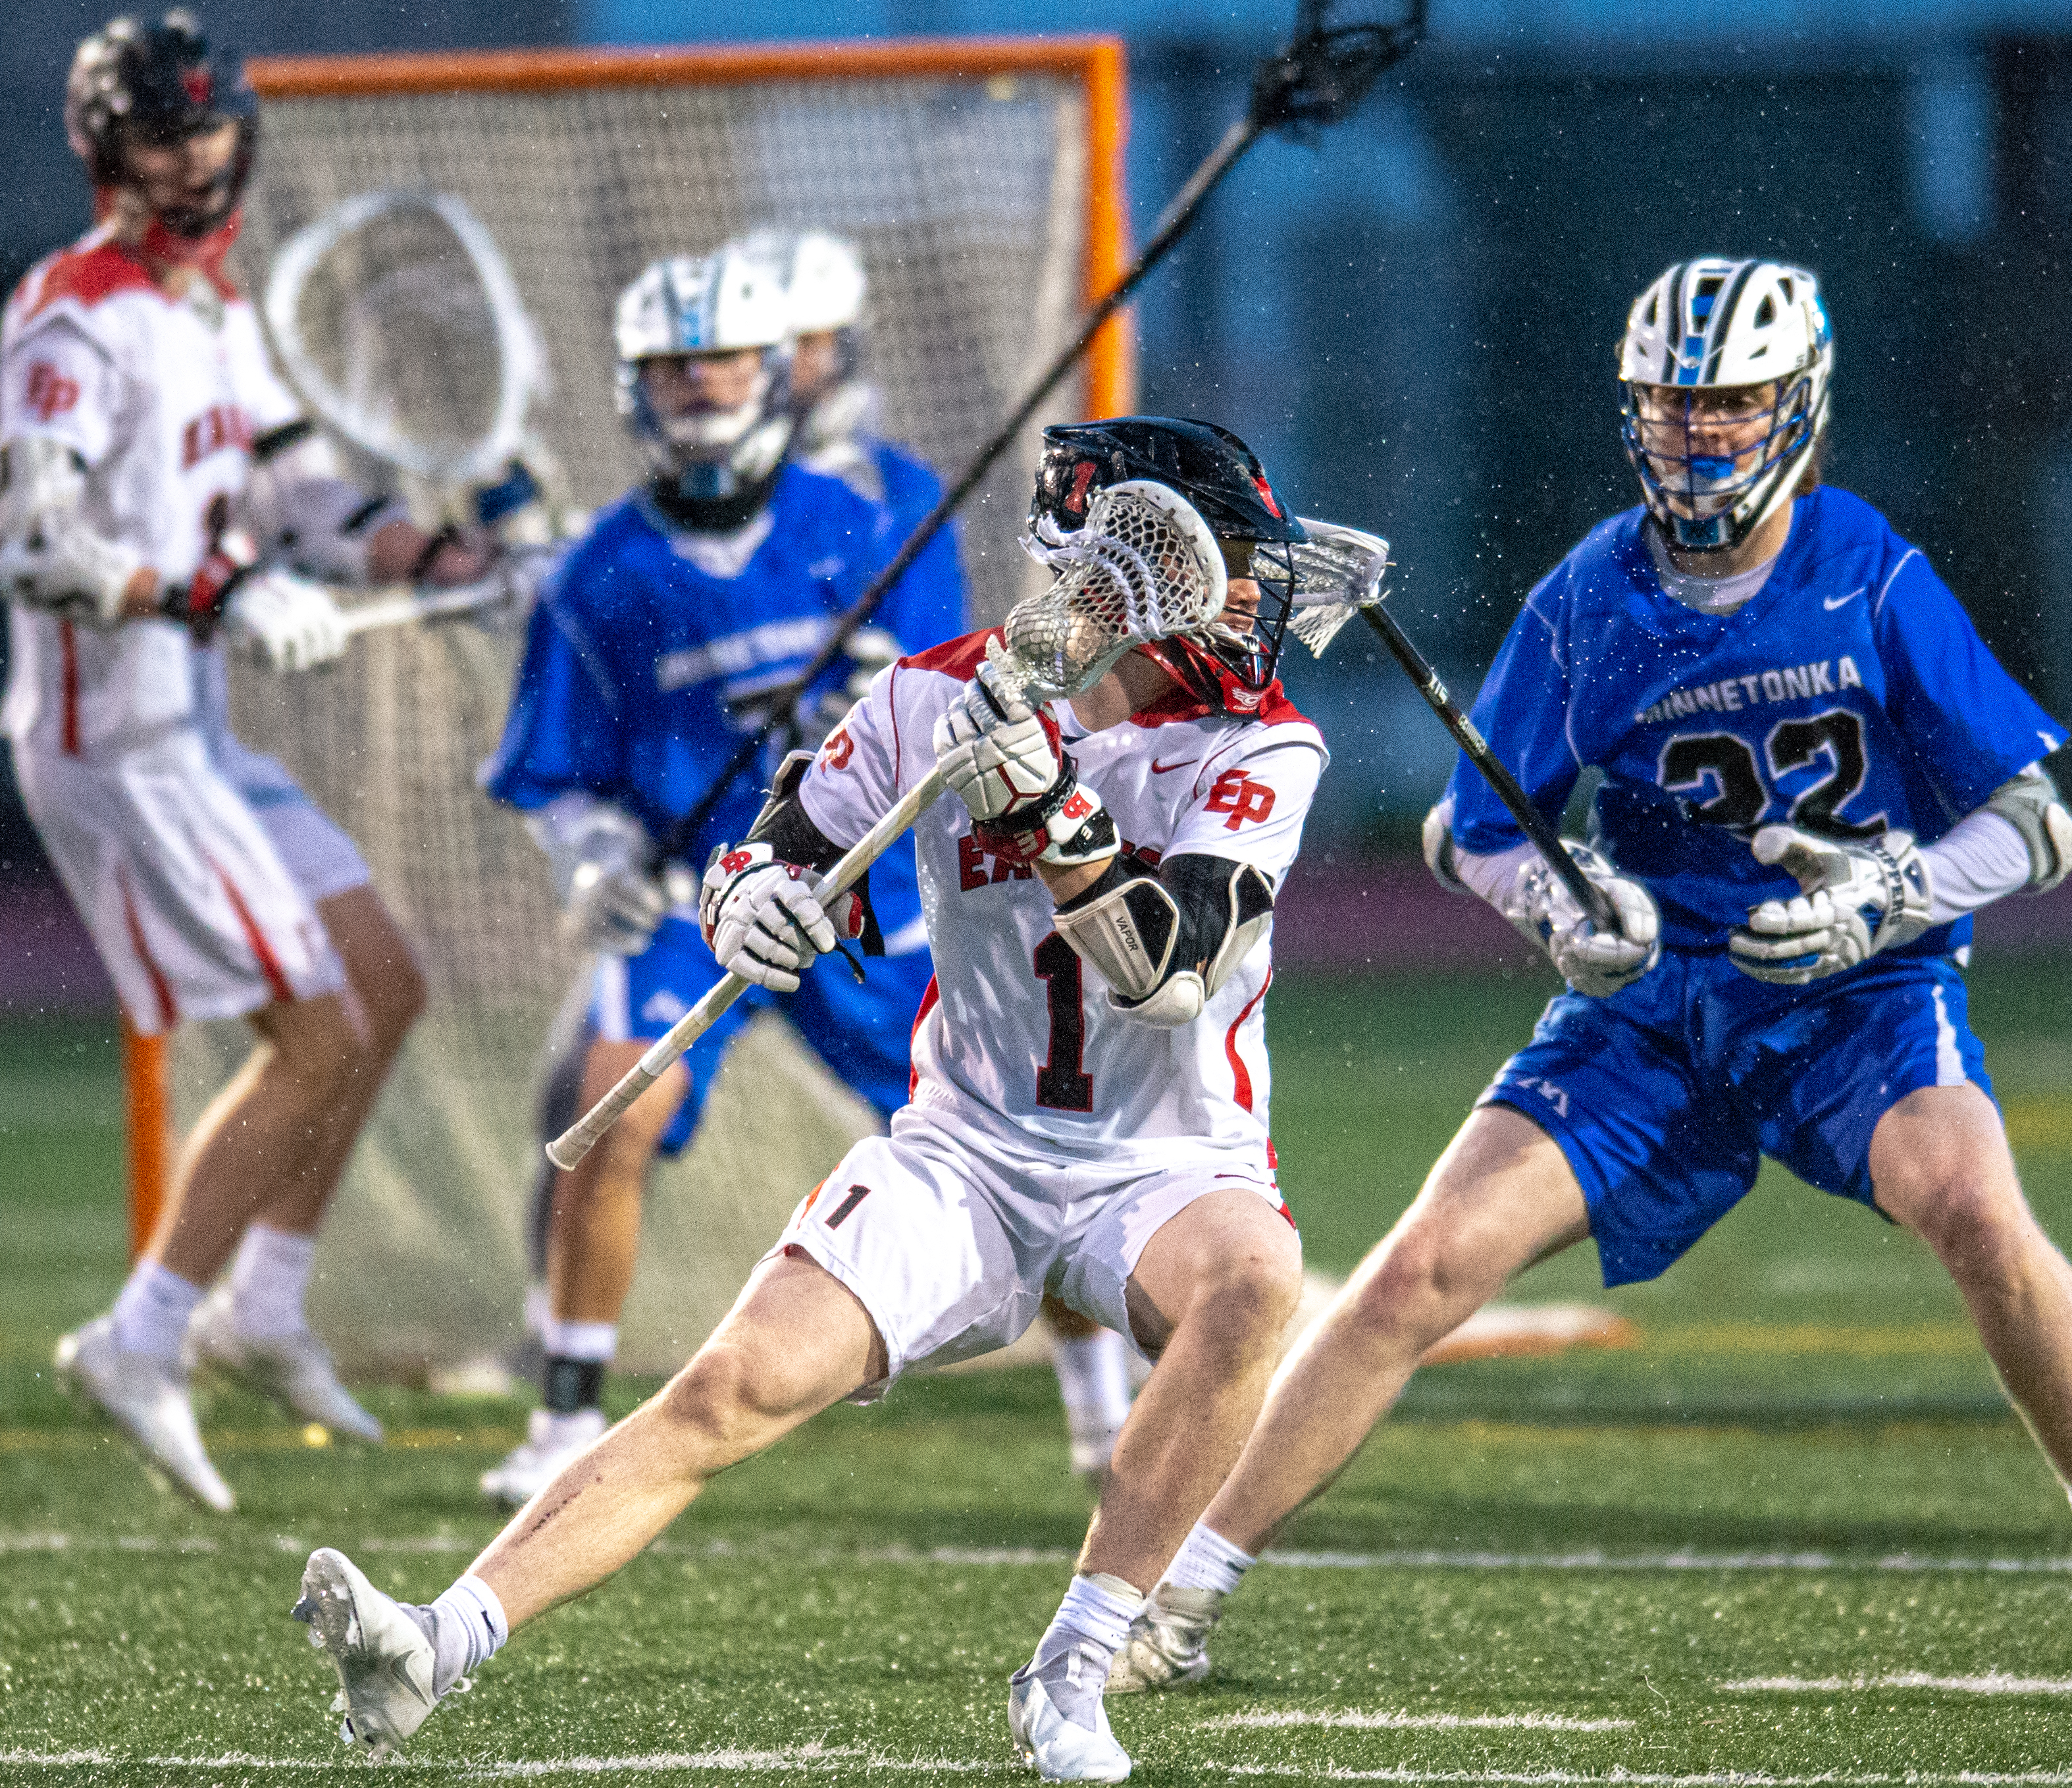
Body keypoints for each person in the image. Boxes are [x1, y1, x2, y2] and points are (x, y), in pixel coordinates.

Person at [1101, 257, 2072, 1696]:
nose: (1697, 430)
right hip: (1653, 1010)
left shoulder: (1867, 568)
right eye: (1672, 402)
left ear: (1796, 404)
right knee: (1416, 1271)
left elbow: (2035, 821)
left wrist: (1896, 892)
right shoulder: (1588, 598)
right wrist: (1567, 912)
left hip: (1851, 998)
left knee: (1975, 1206)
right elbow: (1471, 831)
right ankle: (1176, 1599)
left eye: (1731, 399)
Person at [292, 417, 1333, 1783]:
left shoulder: (1263, 745)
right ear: (1115, 566)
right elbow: (771, 846)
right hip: (965, 1148)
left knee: (1255, 1277)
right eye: (1222, 563)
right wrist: (753, 907)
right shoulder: (924, 699)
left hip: (1166, 1160)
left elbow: (1166, 973)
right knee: (730, 1385)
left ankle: (1074, 1668)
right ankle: (437, 1640)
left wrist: (1053, 821)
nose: (1251, 596)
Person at [0, 10, 505, 1513]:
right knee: (317, 1036)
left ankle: (262, 1304)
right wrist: (206, 592)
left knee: (384, 983)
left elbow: (301, 493)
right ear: (106, 150)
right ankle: (142, 1336)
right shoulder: (72, 314)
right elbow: (30, 540)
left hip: (192, 727)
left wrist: (443, 547)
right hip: (114, 741)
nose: (196, 156)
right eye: (165, 131)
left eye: (211, 126)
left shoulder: (218, 311)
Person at [474, 237, 964, 1507]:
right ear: (638, 387)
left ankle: (1095, 1407)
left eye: (725, 361)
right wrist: (593, 859)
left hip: (859, 877)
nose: (700, 388)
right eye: (674, 368)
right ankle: (560, 1412)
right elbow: (553, 772)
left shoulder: (862, 521)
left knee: (996, 1116)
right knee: (604, 1111)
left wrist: (892, 703)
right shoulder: (599, 574)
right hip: (700, 892)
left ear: (772, 371)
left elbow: (962, 700)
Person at [743, 222, 1143, 1483]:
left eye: (805, 344)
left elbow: (921, 680)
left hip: (919, 814)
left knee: (1023, 1091)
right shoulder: (706, 509)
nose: (788, 368)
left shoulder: (886, 495)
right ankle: (566, 1393)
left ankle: (1095, 1388)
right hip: (798, 812)